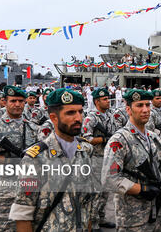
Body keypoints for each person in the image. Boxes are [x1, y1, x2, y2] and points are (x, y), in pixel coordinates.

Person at [9, 88, 96, 231]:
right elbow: (22, 213)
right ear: (54, 118)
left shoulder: (86, 150)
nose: (78, 118)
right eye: (70, 113)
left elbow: (87, 203)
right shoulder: (36, 158)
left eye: (80, 111)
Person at [101, 89, 161, 231]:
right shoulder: (120, 140)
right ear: (128, 109)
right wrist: (141, 189)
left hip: (156, 214)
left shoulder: (153, 138)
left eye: (147, 105)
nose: (145, 110)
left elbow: (160, 175)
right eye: (139, 105)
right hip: (133, 218)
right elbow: (109, 179)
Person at [0, 86, 38, 232]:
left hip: (29, 187)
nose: (17, 104)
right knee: (4, 226)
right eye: (13, 101)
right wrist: (9, 161)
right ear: (5, 102)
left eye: (20, 101)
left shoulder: (32, 127)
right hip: (6, 189)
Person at [81, 88, 116, 230]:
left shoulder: (110, 115)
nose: (108, 101)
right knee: (96, 192)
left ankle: (101, 218)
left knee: (106, 191)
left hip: (108, 157)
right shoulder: (91, 118)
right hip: (96, 158)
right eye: (105, 99)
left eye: (108, 98)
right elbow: (85, 139)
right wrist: (103, 139)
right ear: (97, 102)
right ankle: (93, 222)